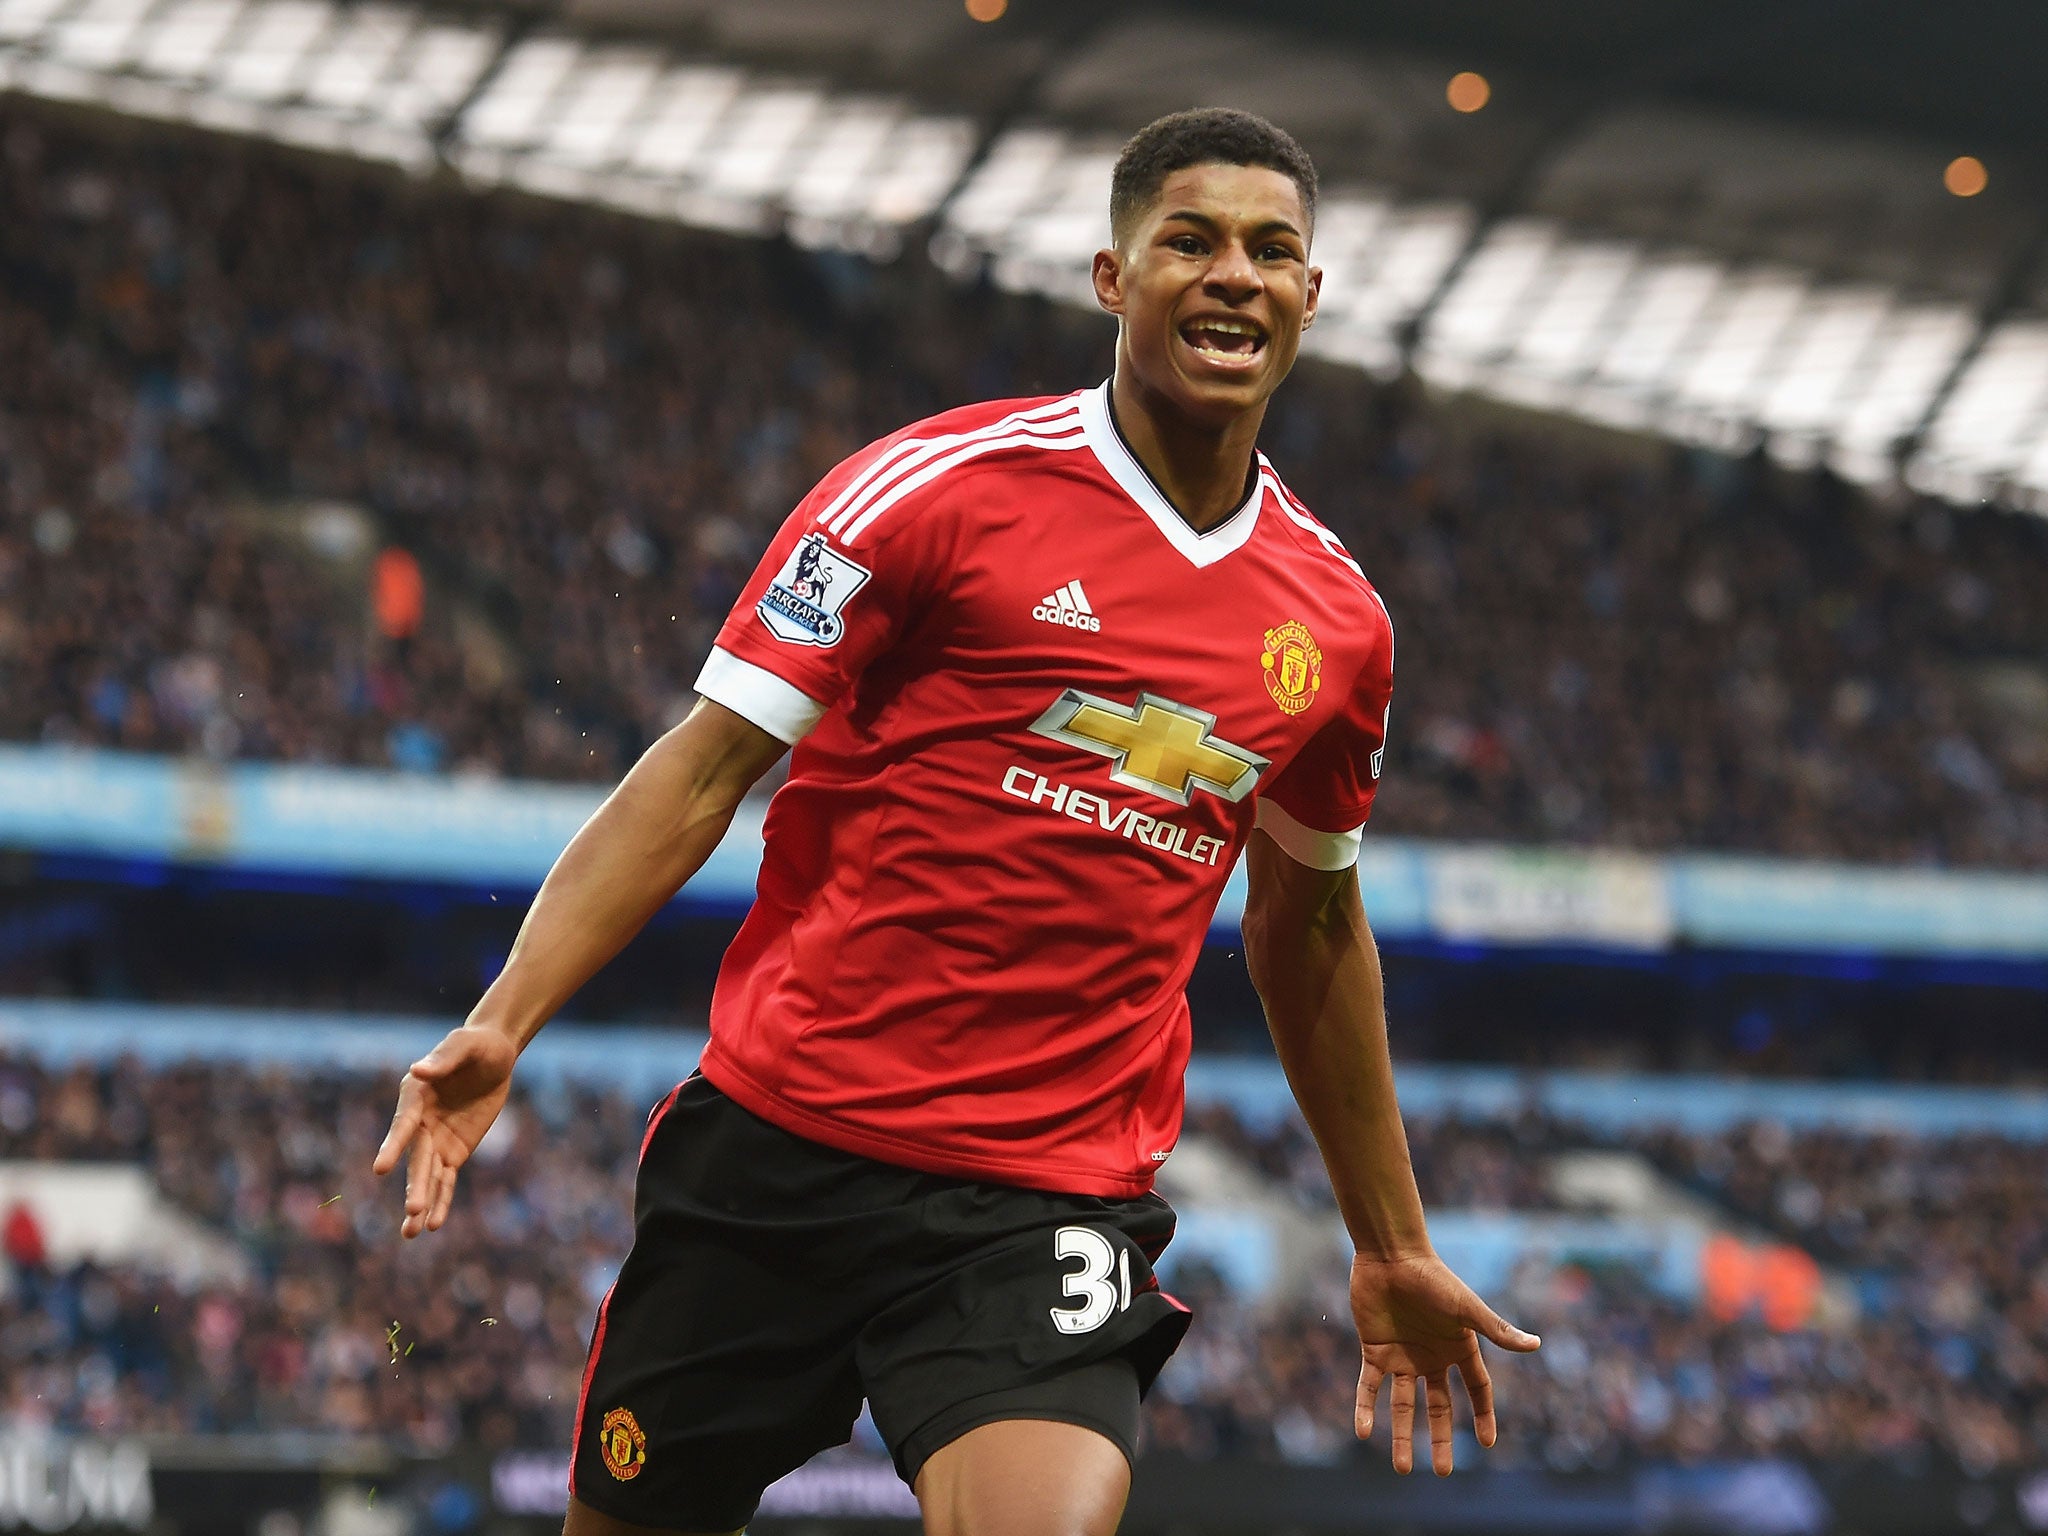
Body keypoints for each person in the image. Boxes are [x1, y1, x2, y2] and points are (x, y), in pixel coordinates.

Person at [374, 107, 1539, 1536]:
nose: (1233, 272)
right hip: (779, 1152)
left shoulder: (1337, 622)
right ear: (1113, 279)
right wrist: (508, 1015)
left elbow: (1310, 922)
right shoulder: (935, 492)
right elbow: (700, 770)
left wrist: (1391, 1239)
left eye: (1271, 248)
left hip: (1046, 1200)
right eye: (1190, 241)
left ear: (1311, 295)